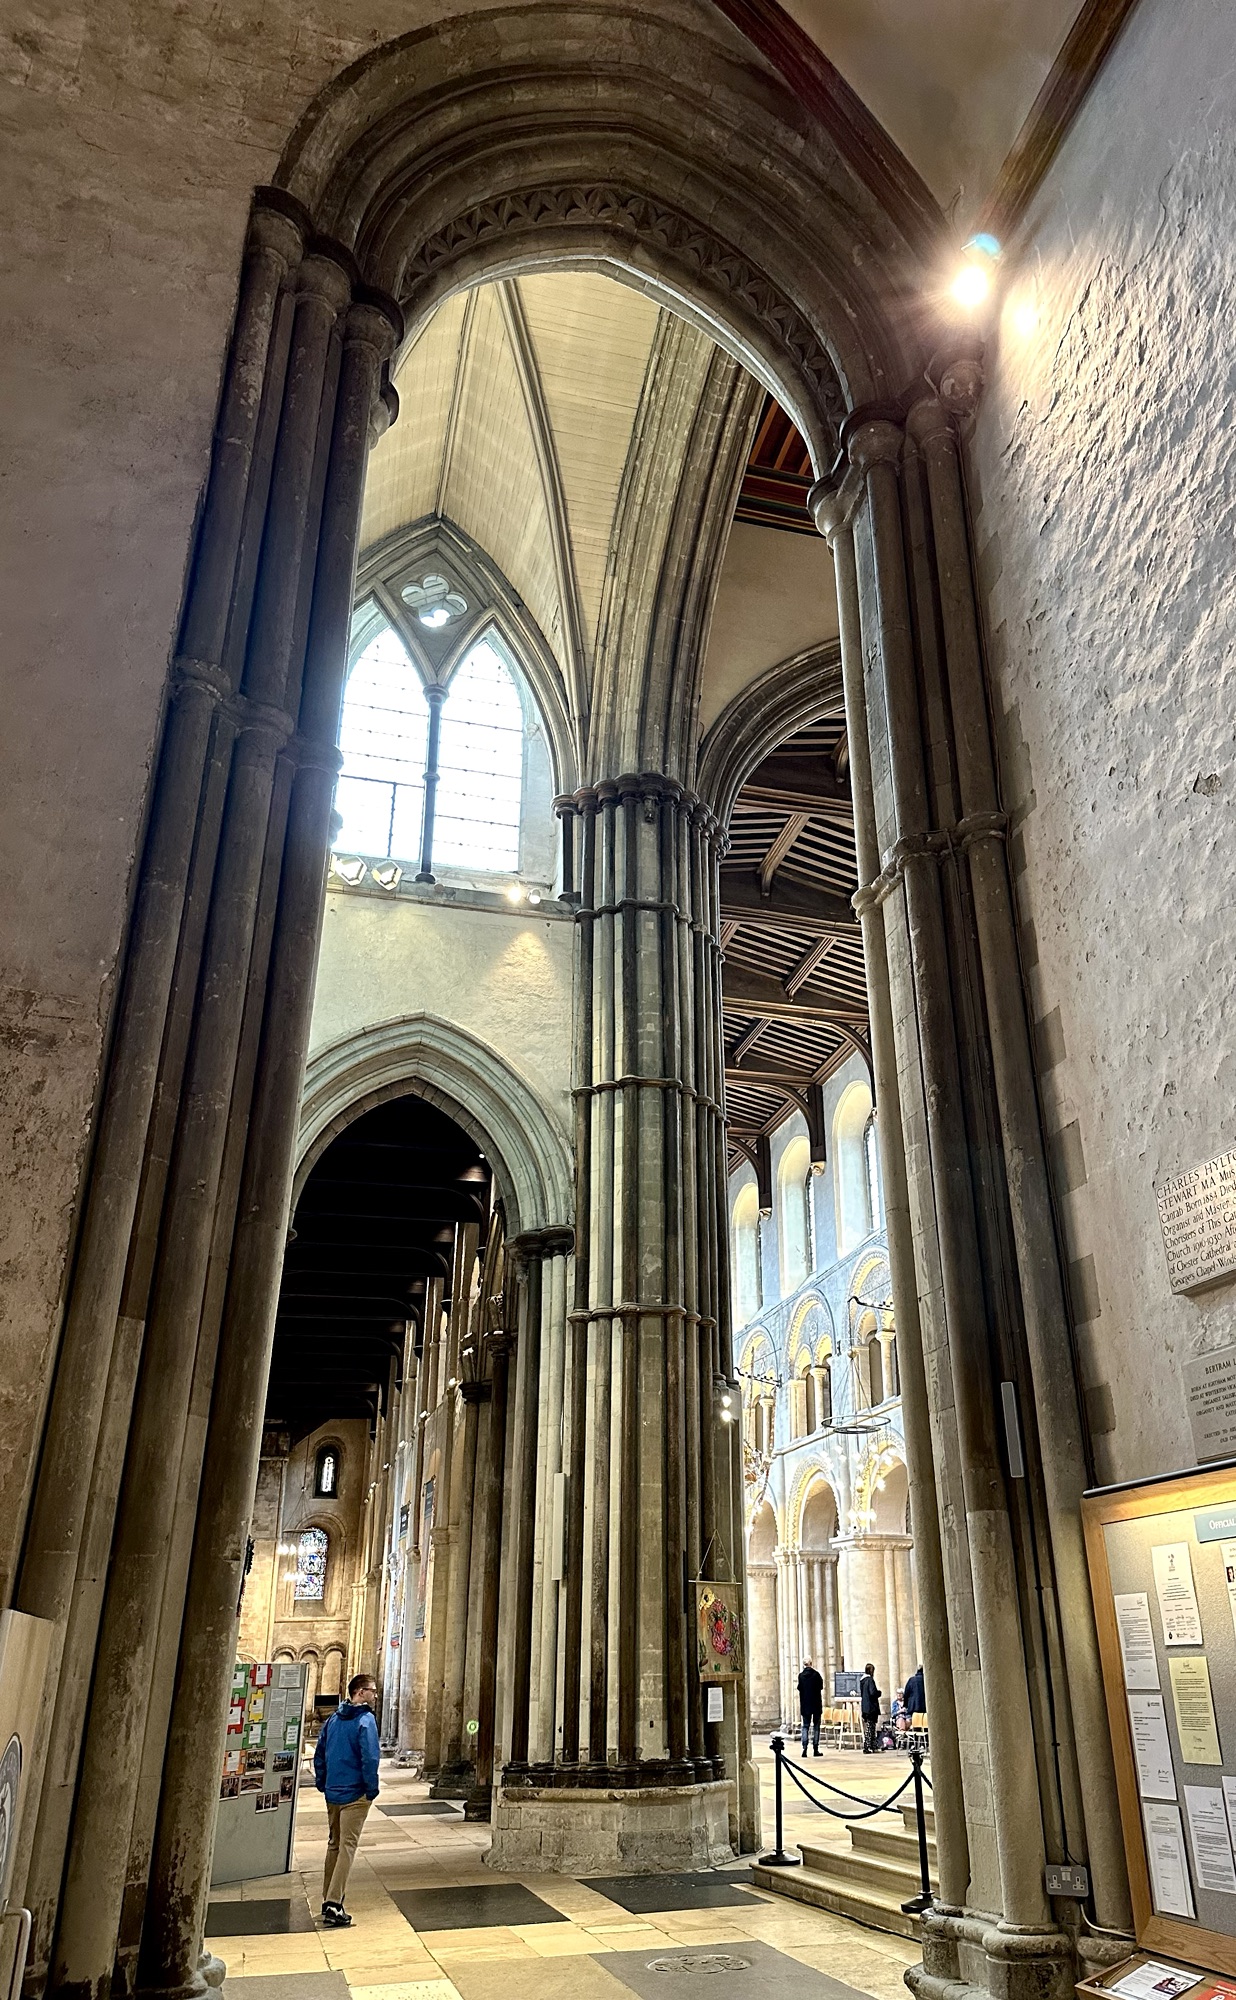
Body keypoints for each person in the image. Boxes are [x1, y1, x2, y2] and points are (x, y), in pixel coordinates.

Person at [313, 1672, 380, 1926]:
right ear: (360, 1692)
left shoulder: (333, 1719)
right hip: (355, 1793)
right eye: (372, 1691)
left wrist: (323, 1782)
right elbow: (370, 1757)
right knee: (347, 1846)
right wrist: (371, 1789)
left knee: (334, 1844)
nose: (375, 1695)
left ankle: (327, 1898)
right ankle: (334, 1904)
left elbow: (320, 1753)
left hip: (333, 1792)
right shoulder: (365, 1720)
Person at [797, 1657, 824, 1757]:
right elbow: (821, 1686)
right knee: (816, 1727)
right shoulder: (816, 1675)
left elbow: (800, 1688)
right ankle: (815, 1749)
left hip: (805, 1705)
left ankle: (804, 1748)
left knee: (805, 1726)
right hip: (816, 1705)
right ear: (811, 1663)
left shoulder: (801, 1676)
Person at [859, 1661, 882, 1753]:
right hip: (871, 1707)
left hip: (865, 1707)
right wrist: (879, 1693)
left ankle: (872, 1745)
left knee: (870, 1727)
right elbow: (872, 1693)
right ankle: (868, 1746)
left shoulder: (862, 1681)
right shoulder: (870, 1680)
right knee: (870, 1727)